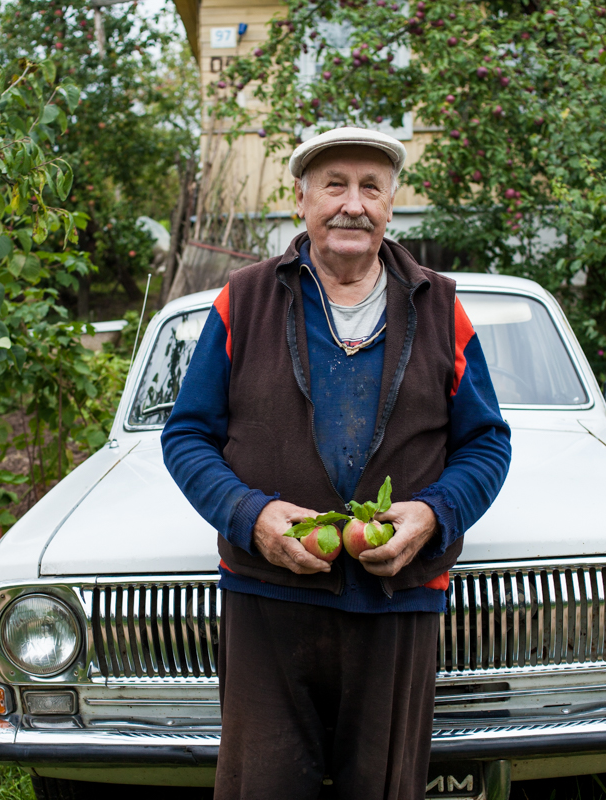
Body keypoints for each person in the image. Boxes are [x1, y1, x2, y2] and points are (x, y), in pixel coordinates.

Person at [161, 127, 512, 800]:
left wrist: (435, 514)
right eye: (334, 185)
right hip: (267, 599)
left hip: (399, 599)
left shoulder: (441, 307)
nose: (353, 204)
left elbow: (487, 443)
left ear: (391, 204)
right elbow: (187, 436)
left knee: (382, 787)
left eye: (370, 187)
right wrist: (250, 515)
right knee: (261, 787)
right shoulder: (244, 300)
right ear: (301, 201)